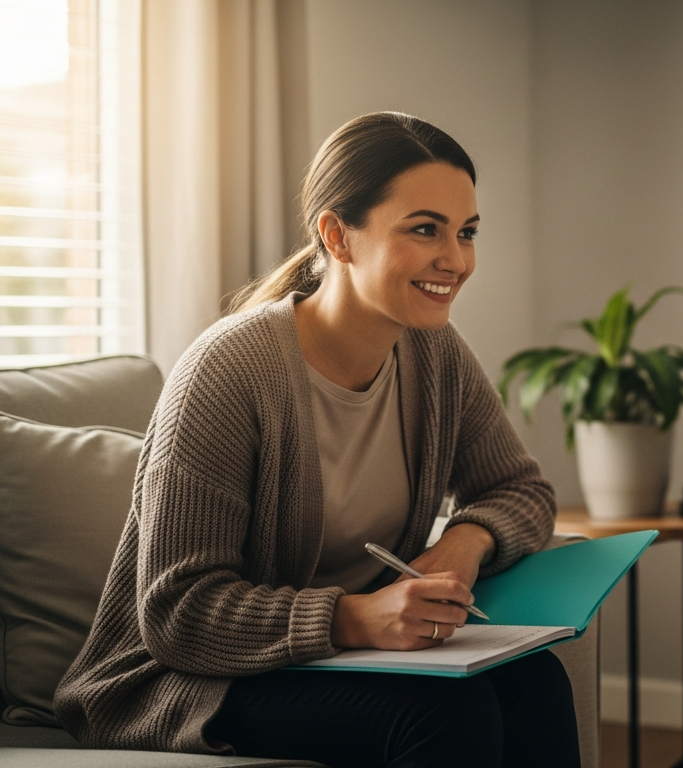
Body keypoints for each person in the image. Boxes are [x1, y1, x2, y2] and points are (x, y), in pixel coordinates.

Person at [53, 112, 580, 767]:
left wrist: (465, 542)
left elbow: (521, 489)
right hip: (192, 678)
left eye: (466, 232)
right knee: (448, 715)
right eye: (425, 229)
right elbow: (177, 612)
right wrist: (353, 618)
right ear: (337, 235)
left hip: (347, 657)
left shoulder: (436, 354)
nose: (457, 260)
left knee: (537, 683)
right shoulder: (229, 371)